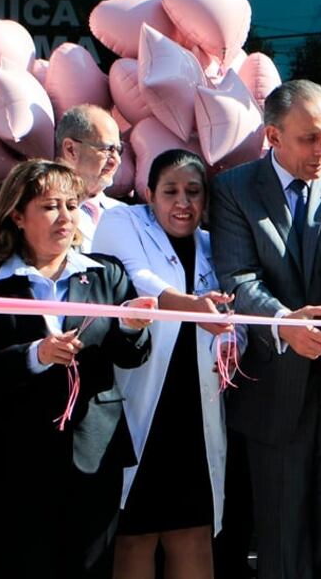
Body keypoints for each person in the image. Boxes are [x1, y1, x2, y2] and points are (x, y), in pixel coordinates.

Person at [0, 160, 155, 578]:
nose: (65, 217)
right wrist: (35, 356)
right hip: (17, 459)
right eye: (49, 206)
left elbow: (132, 355)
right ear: (17, 215)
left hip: (93, 452)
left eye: (72, 205)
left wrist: (131, 327)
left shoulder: (106, 274)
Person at [211, 80, 321, 579]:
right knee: (283, 536)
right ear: (273, 137)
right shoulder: (234, 189)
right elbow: (238, 278)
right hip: (274, 391)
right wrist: (283, 325)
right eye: (308, 138)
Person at [93, 150, 247, 579]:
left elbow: (236, 309)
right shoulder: (123, 222)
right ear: (149, 194)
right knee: (136, 534)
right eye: (171, 191)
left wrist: (234, 342)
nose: (183, 203)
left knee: (194, 533)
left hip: (194, 412)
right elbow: (138, 278)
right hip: (141, 402)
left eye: (193, 192)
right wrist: (194, 307)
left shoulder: (214, 244)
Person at [54, 105, 125, 252]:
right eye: (107, 149)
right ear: (71, 149)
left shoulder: (127, 214)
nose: (116, 160)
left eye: (119, 150)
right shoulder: (45, 213)